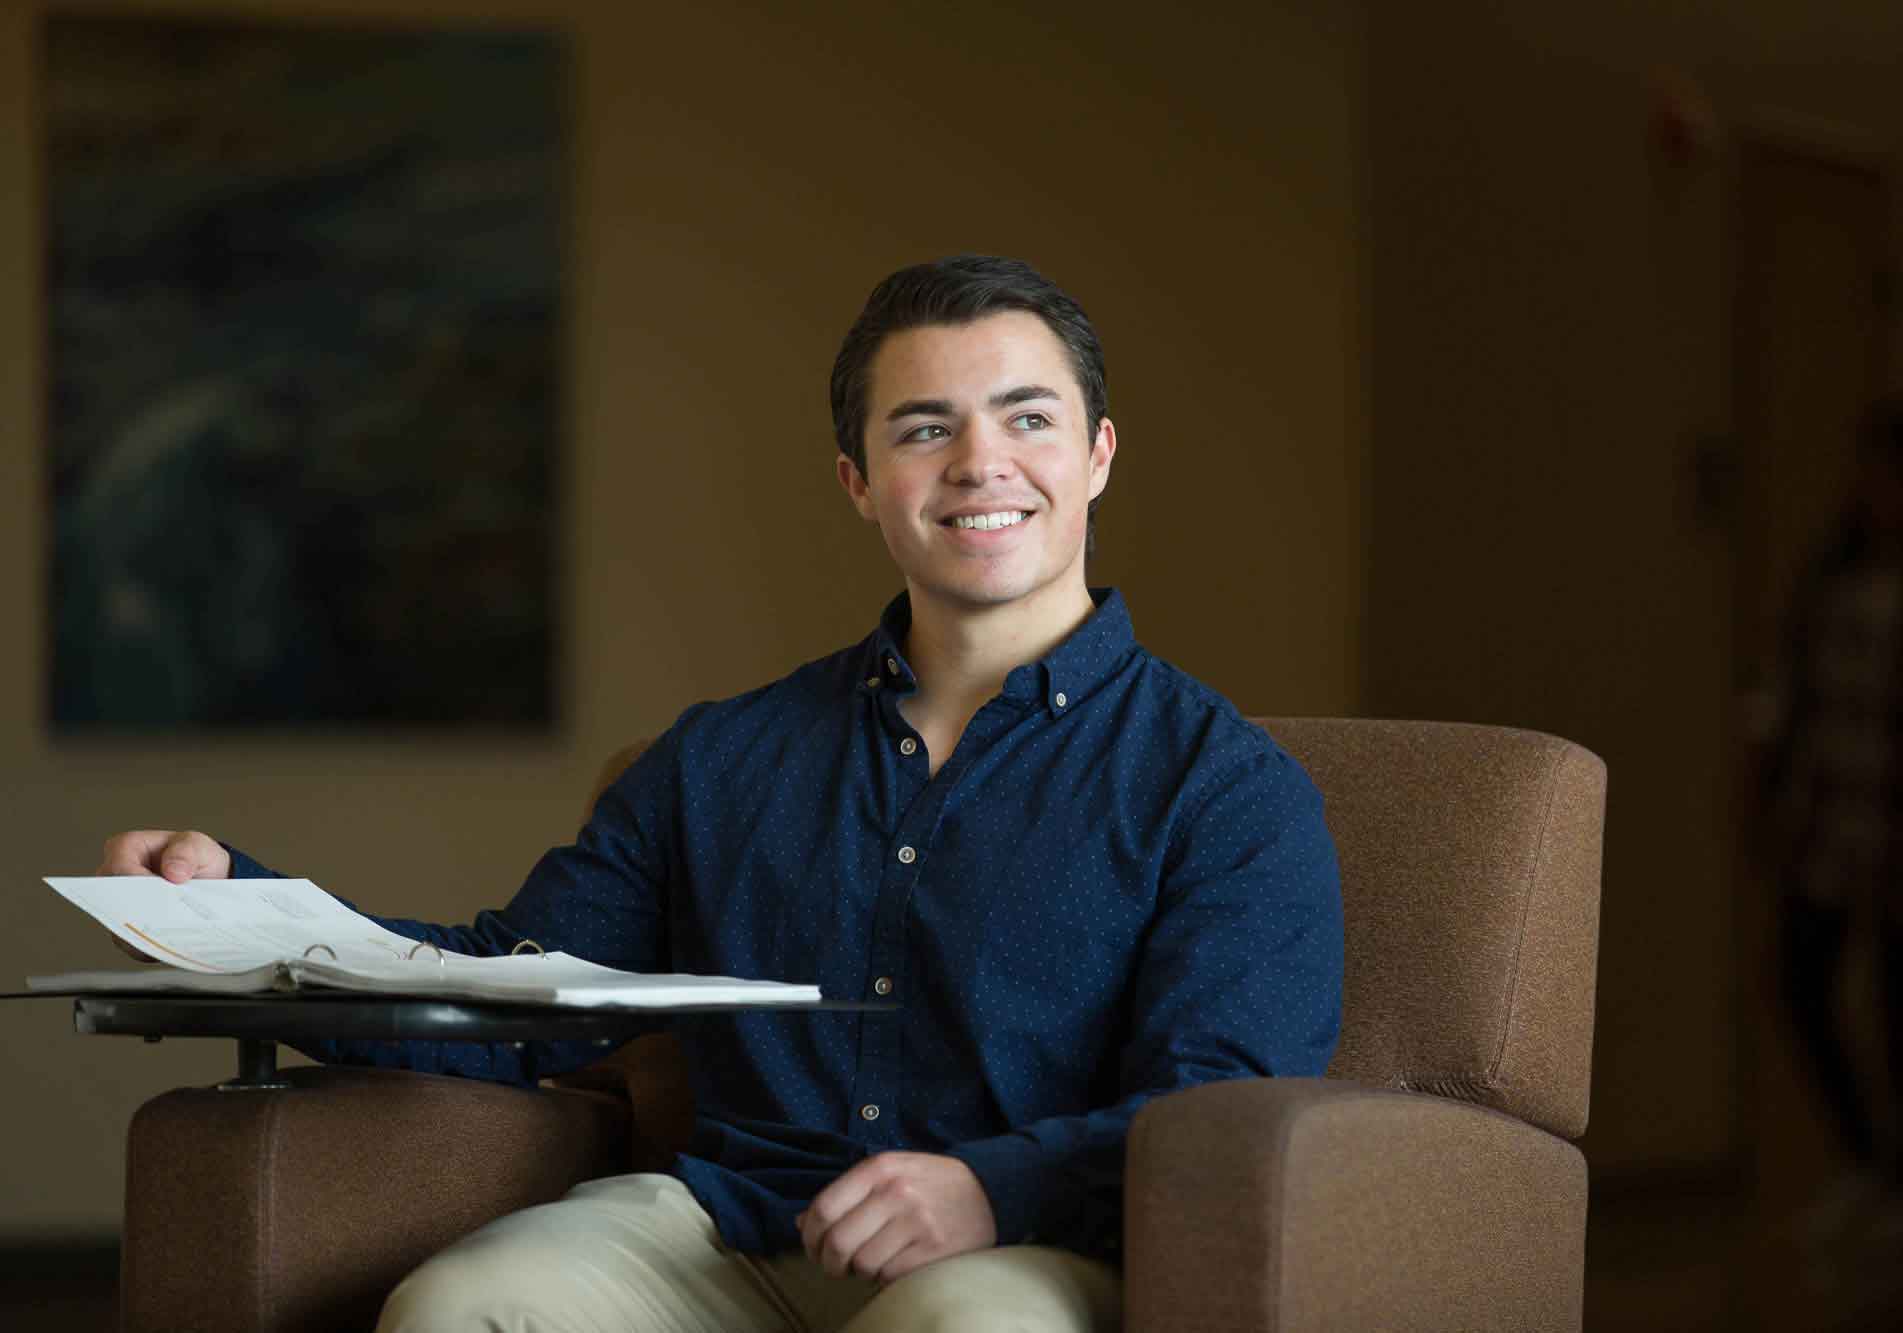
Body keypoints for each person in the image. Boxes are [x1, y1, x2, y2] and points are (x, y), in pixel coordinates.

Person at [96, 255, 1343, 1332]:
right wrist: (237, 904)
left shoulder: (1222, 787)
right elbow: (520, 992)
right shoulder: (719, 758)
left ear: (1097, 455)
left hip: (1024, 1251)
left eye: (1027, 419)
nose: (980, 464)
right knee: (461, 1307)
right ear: (858, 478)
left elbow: (1211, 1111)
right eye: (923, 427)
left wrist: (991, 1188)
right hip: (727, 1230)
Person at [1751, 396, 1903, 1246]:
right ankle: (1864, 1158)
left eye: (1891, 473)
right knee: (1799, 980)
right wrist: (1773, 794)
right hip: (1832, 818)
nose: (1873, 490)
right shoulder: (1835, 578)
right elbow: (1794, 697)